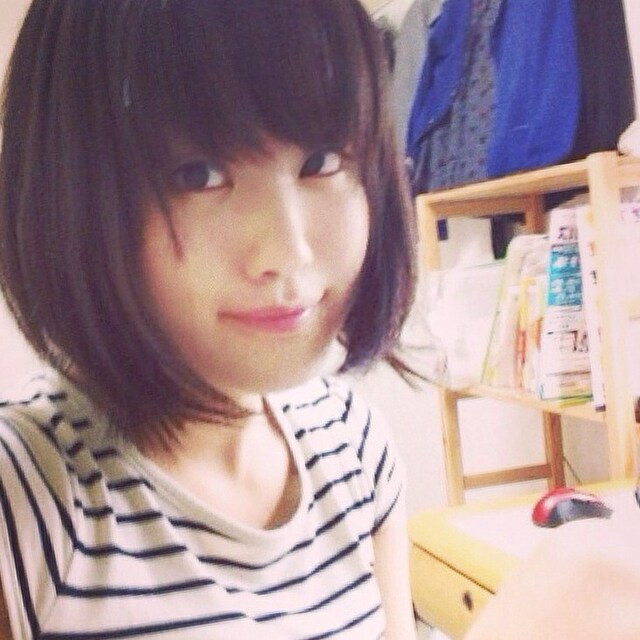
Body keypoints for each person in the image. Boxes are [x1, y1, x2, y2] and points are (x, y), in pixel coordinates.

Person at [0, 1, 419, 638]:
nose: (289, 252)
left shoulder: (355, 447)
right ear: (71, 201)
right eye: (198, 174)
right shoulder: (26, 498)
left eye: (322, 161)